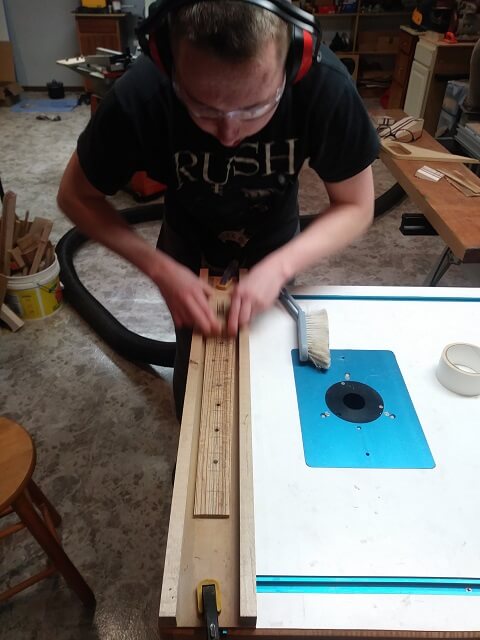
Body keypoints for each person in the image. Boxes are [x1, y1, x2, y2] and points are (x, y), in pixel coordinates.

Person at [57, 0, 379, 421]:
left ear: (294, 61)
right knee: (195, 381)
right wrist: (158, 268)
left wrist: (280, 267)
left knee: (269, 377)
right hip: (184, 247)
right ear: (166, 59)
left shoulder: (323, 85)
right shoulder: (141, 94)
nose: (229, 134)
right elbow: (75, 196)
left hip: (275, 245)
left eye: (255, 108)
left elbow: (356, 205)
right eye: (203, 108)